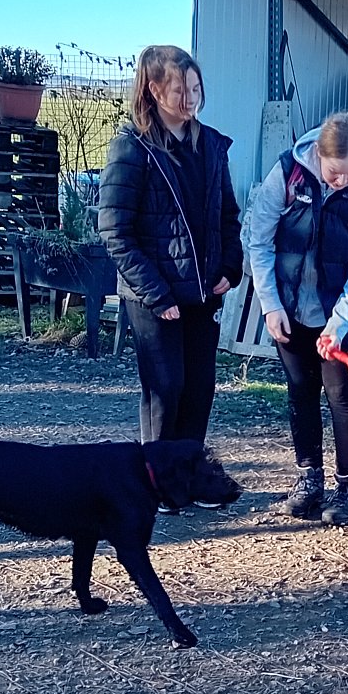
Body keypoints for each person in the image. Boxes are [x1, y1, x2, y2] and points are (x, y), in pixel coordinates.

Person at [97, 45, 243, 460]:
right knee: (165, 391)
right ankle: (158, 481)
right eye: (180, 90)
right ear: (153, 90)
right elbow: (114, 231)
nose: (191, 99)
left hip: (203, 293)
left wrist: (230, 265)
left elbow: (228, 216)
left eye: (196, 89)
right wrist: (157, 295)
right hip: (154, 297)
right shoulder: (131, 148)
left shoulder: (211, 145)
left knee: (199, 390)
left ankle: (190, 476)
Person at [244, 109, 348, 527]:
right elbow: (259, 241)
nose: (341, 181)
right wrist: (271, 304)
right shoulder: (288, 173)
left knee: (342, 396)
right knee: (300, 389)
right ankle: (308, 476)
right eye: (333, 172)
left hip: (345, 309)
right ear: (318, 156)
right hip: (289, 305)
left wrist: (337, 326)